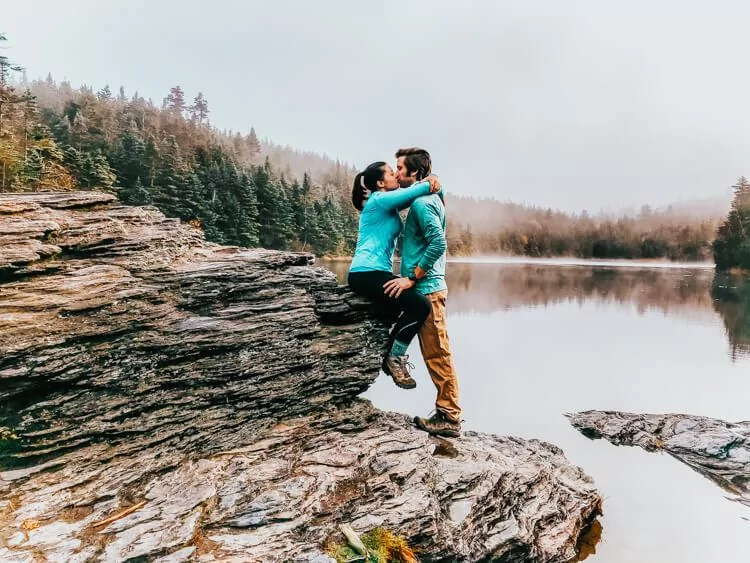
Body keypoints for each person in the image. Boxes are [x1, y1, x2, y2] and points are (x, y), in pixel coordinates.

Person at [383, 147, 462, 438]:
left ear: (414, 172)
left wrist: (411, 278)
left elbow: (438, 244)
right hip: (427, 288)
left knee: (438, 354)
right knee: (435, 352)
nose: (397, 172)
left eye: (400, 168)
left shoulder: (421, 205)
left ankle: (449, 417)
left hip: (428, 289)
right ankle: (395, 357)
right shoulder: (431, 196)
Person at [348, 161, 441, 389]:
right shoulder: (378, 200)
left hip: (376, 272)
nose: (395, 175)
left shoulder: (386, 204)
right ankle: (394, 357)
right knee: (420, 306)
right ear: (381, 183)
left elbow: (410, 196)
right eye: (391, 172)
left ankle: (384, 345)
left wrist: (431, 184)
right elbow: (413, 192)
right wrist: (429, 181)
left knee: (397, 306)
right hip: (366, 272)